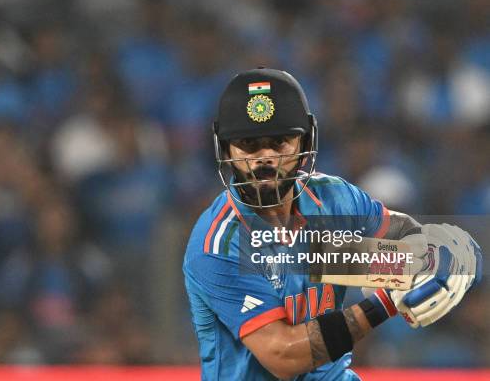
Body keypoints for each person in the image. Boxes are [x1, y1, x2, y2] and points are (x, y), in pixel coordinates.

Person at [183, 68, 482, 380]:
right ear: (225, 147)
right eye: (249, 144)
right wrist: (384, 304)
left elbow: (410, 243)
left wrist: (450, 253)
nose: (265, 158)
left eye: (280, 141)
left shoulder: (334, 199)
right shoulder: (218, 242)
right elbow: (282, 355)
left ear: (304, 141)